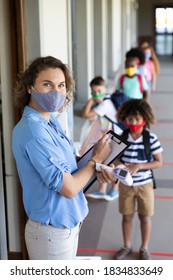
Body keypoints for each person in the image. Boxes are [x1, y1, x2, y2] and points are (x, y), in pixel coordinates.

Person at [12, 56, 116, 260]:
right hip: (51, 234)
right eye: (47, 84)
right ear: (30, 87)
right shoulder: (33, 131)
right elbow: (68, 187)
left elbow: (70, 166)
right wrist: (94, 160)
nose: (56, 92)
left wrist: (98, 168)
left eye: (61, 85)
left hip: (66, 227)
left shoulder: (50, 121)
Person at [113, 98, 163, 260]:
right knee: (126, 216)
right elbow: (114, 158)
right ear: (124, 119)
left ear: (145, 119)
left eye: (137, 118)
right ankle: (126, 245)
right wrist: (120, 163)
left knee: (144, 216)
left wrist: (139, 166)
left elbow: (158, 162)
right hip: (125, 185)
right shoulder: (121, 137)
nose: (133, 122)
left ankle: (144, 248)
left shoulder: (151, 139)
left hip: (145, 185)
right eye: (130, 119)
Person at [81, 76, 122, 201]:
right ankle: (103, 190)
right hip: (114, 136)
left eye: (99, 91)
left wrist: (90, 100)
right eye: (93, 92)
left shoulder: (105, 104)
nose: (96, 94)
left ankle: (114, 191)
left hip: (118, 137)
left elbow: (85, 114)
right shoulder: (106, 101)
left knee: (116, 163)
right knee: (107, 162)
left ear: (105, 89)